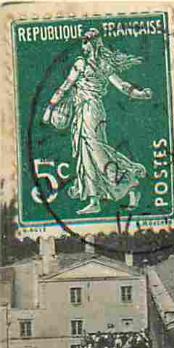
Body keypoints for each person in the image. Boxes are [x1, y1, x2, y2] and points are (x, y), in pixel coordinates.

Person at [41, 29, 153, 215]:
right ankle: (98, 199)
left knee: (96, 153)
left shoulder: (84, 64)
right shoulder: (101, 64)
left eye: (85, 42)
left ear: (89, 44)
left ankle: (130, 181)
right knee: (89, 153)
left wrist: (49, 110)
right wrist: (140, 94)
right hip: (87, 111)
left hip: (89, 111)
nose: (83, 46)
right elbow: (123, 86)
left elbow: (64, 87)